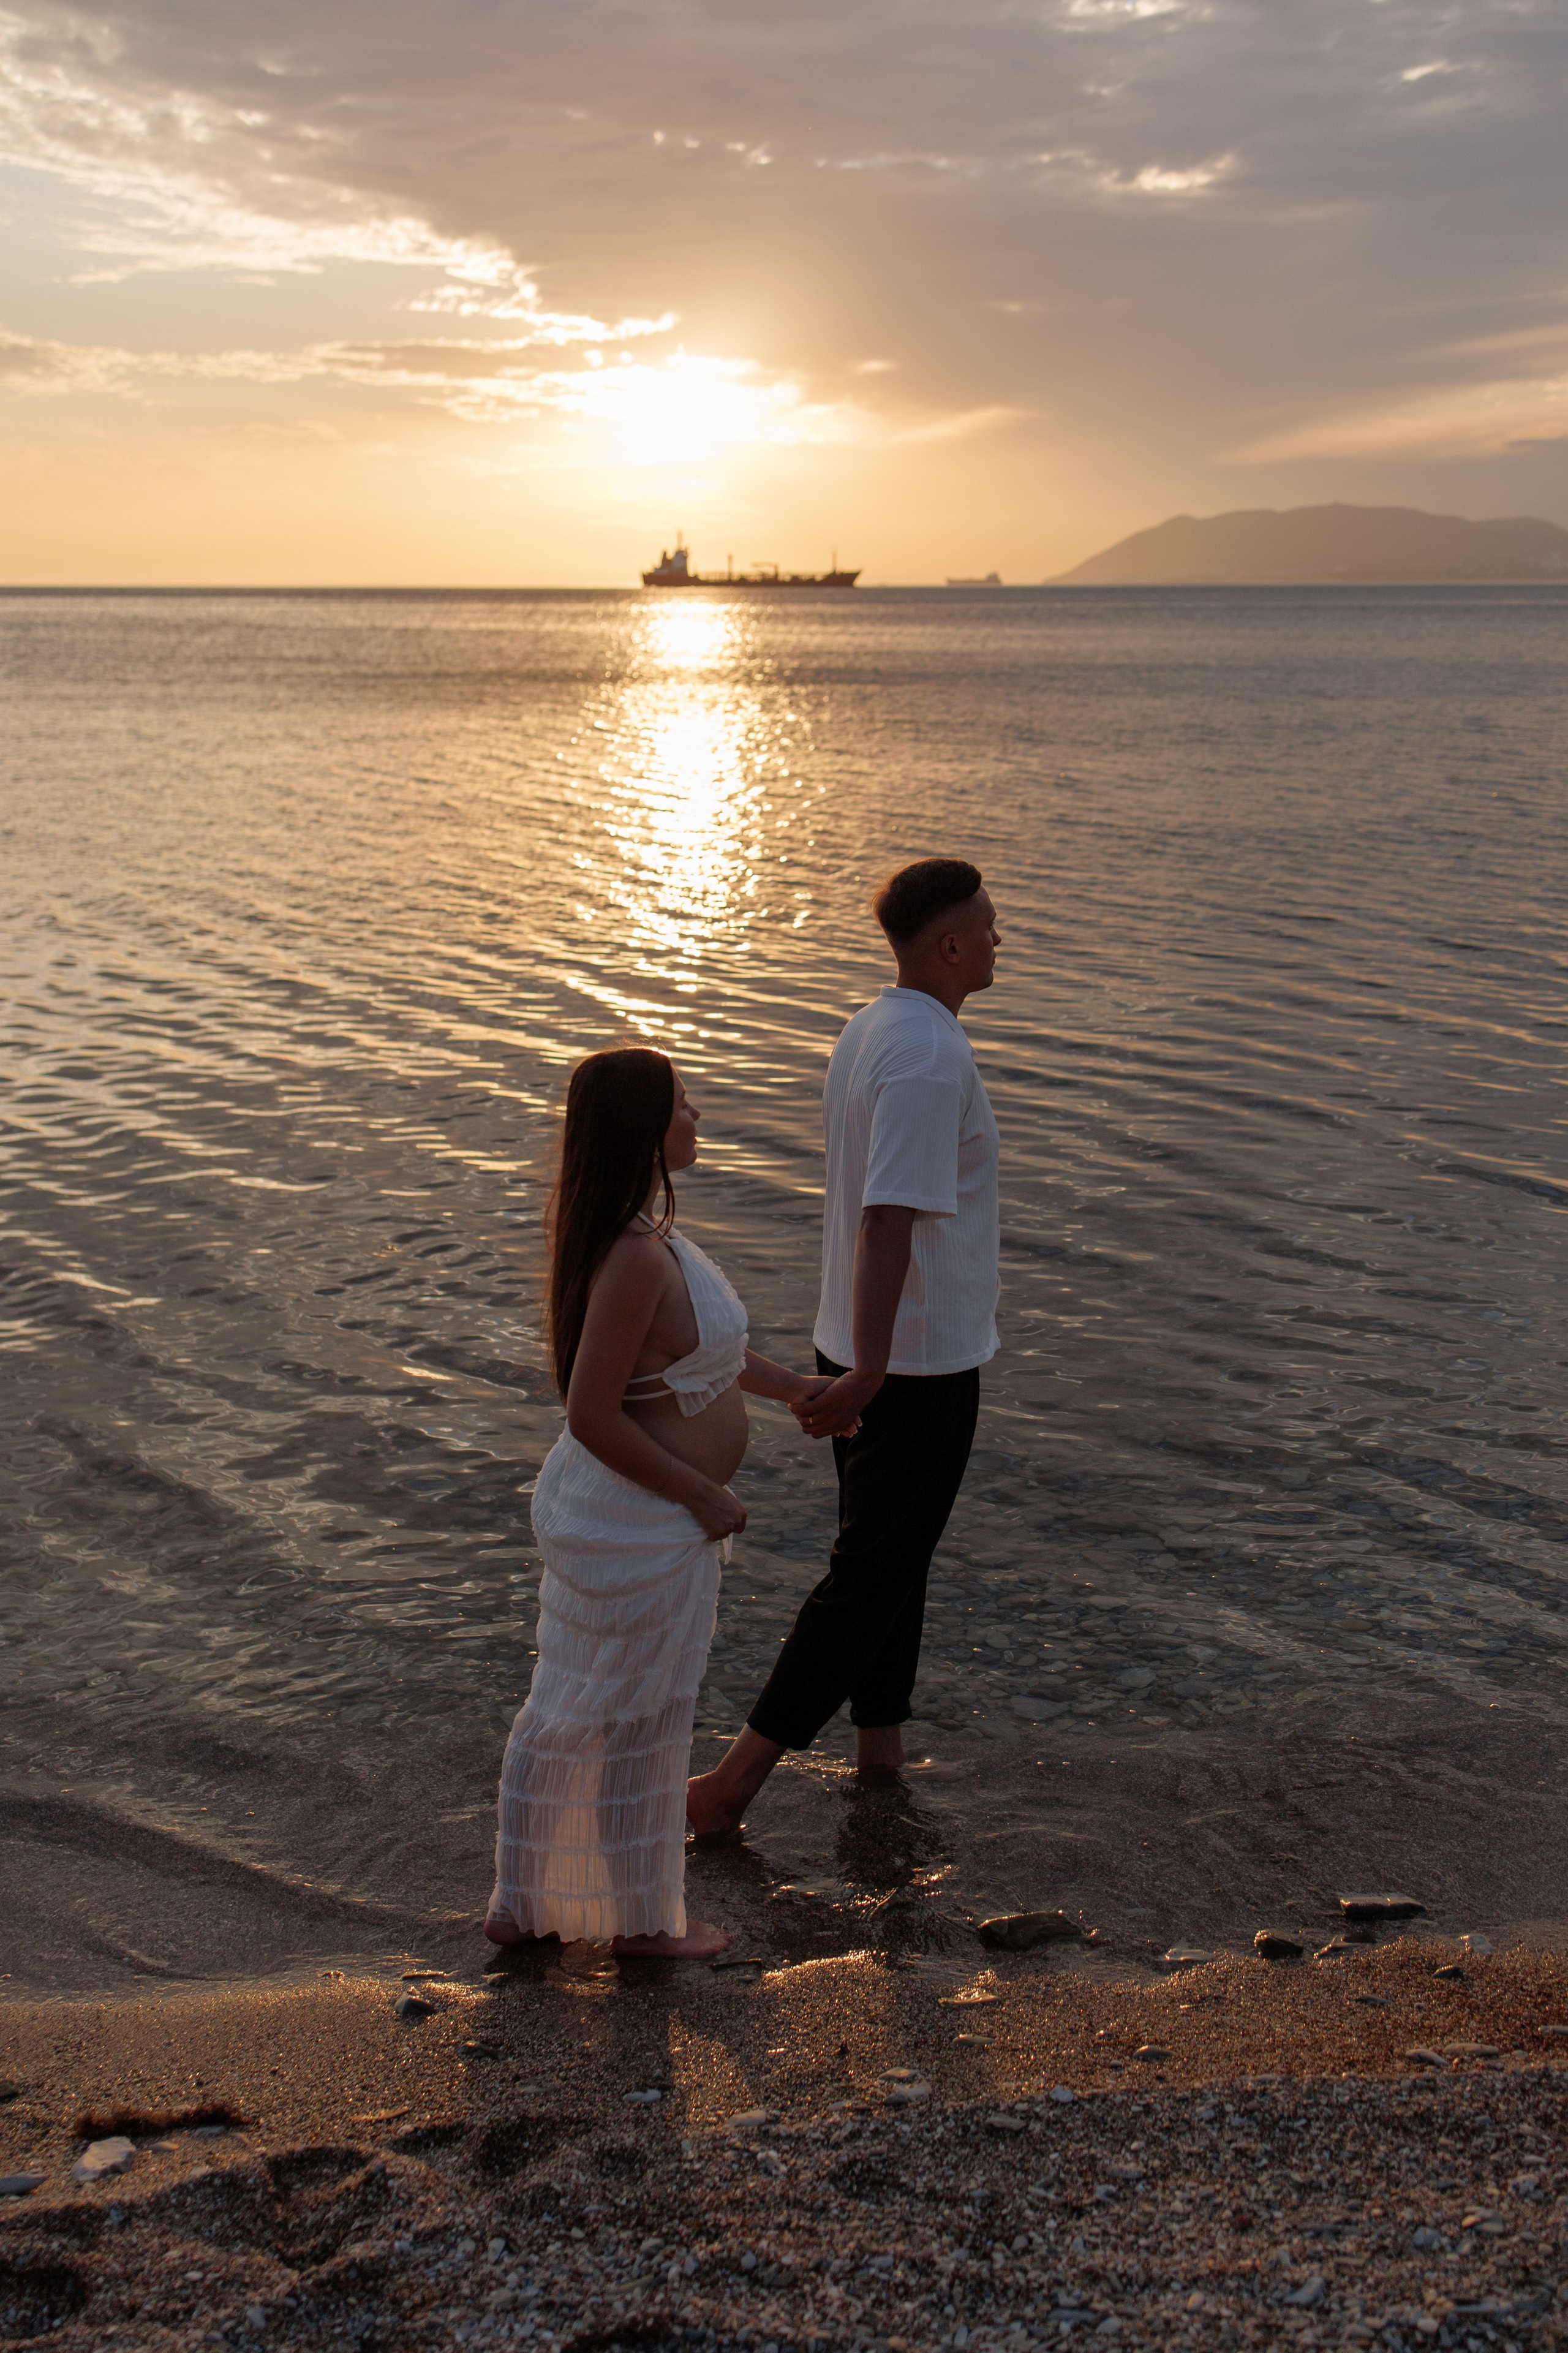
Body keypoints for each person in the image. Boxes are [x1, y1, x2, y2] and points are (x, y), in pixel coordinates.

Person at [486, 1045, 834, 1959]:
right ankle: (636, 1924)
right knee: (627, 1716)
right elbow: (593, 1413)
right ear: (645, 1128)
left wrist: (792, 1387)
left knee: (589, 1705)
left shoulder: (644, 1236)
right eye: (685, 1104)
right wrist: (701, 1494)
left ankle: (526, 1906)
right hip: (637, 1517)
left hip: (636, 1515)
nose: (700, 1116)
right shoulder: (636, 1254)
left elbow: (699, 1359)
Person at [687, 858, 1001, 1835]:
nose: (1001, 939)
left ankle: (880, 1754)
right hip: (908, 1362)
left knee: (890, 1564)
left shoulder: (878, 1027)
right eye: (989, 926)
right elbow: (887, 1220)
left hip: (876, 1349)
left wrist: (854, 1358)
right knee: (870, 1574)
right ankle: (730, 1785)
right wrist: (868, 1369)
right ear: (947, 943)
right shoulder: (925, 1057)